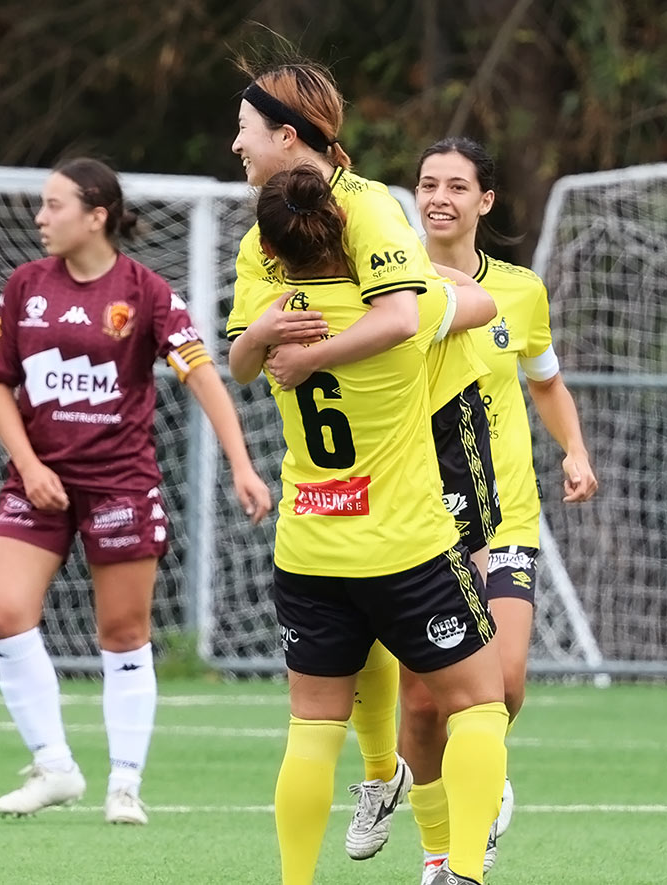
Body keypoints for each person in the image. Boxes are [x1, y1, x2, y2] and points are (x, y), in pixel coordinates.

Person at [228, 58, 499, 867]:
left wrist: (282, 346)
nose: (234, 145)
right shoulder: (383, 290)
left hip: (309, 540)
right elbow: (445, 307)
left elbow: (246, 361)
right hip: (403, 539)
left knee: (311, 727)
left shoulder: (289, 275)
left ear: (286, 136)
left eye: (243, 131)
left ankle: (332, 834)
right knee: (480, 704)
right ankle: (462, 866)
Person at [0, 157, 271, 825]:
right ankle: (54, 765)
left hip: (119, 483)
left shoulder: (146, 292)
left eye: (54, 205)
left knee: (123, 630)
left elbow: (203, 377)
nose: (40, 218)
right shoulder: (25, 286)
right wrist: (29, 463)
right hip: (38, 480)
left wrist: (243, 466)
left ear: (96, 215)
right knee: (4, 613)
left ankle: (125, 784)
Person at [404, 137, 598, 883]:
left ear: (485, 201)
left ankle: (479, 796)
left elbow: (545, 381)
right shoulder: (390, 288)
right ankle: (442, 838)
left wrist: (573, 449)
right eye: (427, 183)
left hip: (504, 515)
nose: (439, 196)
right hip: (413, 523)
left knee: (504, 685)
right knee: (422, 707)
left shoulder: (520, 291)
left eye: (457, 185)